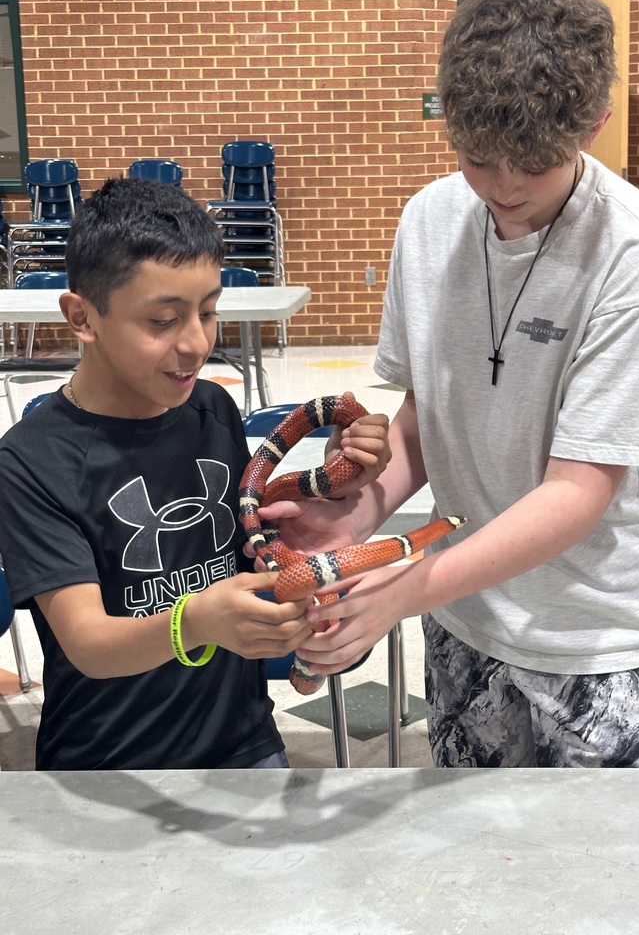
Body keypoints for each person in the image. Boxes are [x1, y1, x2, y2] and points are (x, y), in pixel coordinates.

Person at [261, 0, 639, 768]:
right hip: (465, 613)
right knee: (473, 870)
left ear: (594, 124)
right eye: (476, 160)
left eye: (529, 167)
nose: (501, 188)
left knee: (600, 876)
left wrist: (397, 592)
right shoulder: (430, 223)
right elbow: (426, 418)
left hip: (600, 633)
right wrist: (360, 521)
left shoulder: (638, 257)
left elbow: (577, 492)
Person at [0, 176, 389, 770]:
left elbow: (243, 546)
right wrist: (196, 620)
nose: (196, 343)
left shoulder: (212, 410)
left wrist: (336, 485)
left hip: (243, 741)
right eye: (162, 321)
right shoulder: (30, 461)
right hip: (107, 764)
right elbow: (90, 644)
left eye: (208, 312)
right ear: (82, 317)